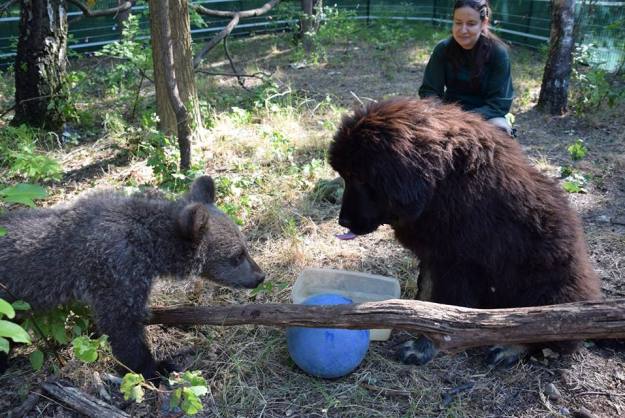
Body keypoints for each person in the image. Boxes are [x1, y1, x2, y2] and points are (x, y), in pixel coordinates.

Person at [419, 0, 515, 136]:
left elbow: (498, 105)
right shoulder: (443, 49)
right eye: (458, 23)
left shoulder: (498, 53)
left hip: (487, 116)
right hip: (448, 113)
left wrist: (464, 119)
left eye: (471, 24)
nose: (463, 30)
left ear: (484, 23)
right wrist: (441, 114)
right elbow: (429, 92)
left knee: (502, 130)